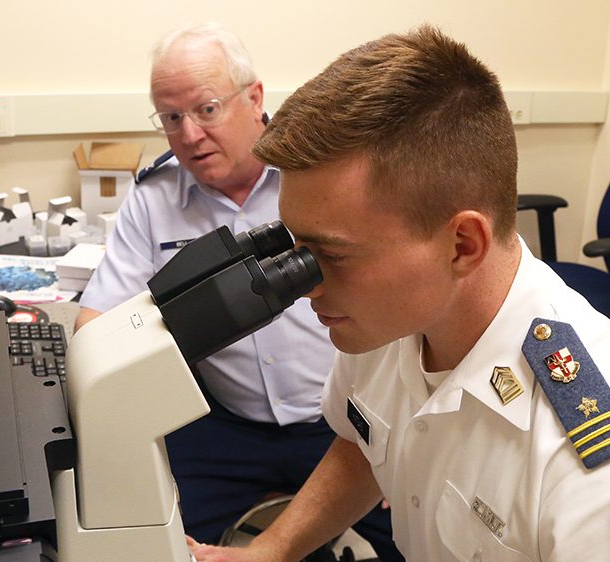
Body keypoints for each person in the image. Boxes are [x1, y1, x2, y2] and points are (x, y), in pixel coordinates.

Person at [190, 25, 610, 562]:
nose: (306, 283)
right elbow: (366, 441)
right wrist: (269, 550)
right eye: (298, 249)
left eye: (331, 256)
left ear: (461, 244)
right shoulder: (391, 321)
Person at [76, 22, 401, 560]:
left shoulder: (326, 174)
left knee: (418, 527)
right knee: (156, 541)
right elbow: (98, 325)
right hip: (223, 424)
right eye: (172, 118)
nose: (190, 135)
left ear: (254, 99)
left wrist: (399, 428)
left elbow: (403, 304)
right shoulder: (154, 197)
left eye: (206, 109)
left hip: (347, 413)